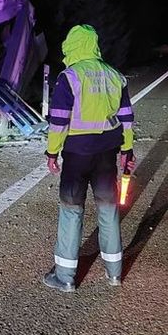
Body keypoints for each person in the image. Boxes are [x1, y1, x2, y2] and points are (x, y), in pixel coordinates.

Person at [42, 24, 135, 292]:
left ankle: (65, 277)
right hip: (107, 153)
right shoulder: (115, 76)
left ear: (71, 46)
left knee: (71, 210)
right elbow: (127, 118)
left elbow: (59, 121)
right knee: (108, 209)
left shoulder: (70, 77)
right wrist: (127, 151)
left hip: (77, 154)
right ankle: (114, 273)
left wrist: (52, 152)